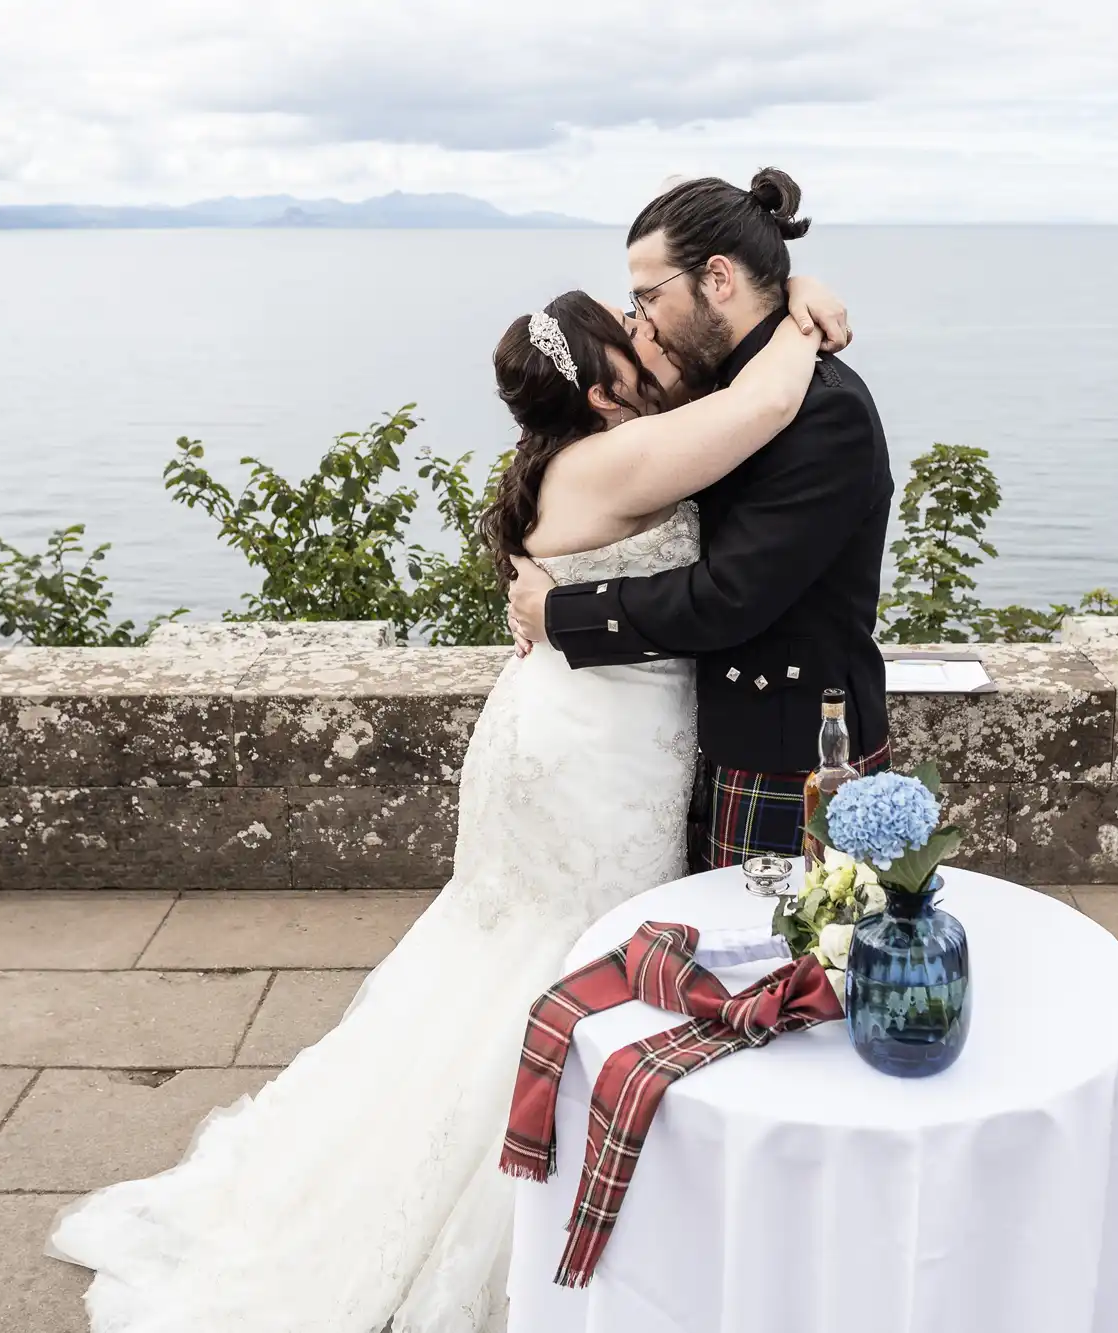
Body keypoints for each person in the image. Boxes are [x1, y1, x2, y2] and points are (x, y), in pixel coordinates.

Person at [45, 268, 854, 1330]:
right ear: (602, 390)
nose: (647, 331)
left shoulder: (577, 455)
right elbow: (758, 406)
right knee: (567, 958)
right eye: (628, 330)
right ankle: (538, 1218)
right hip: (591, 747)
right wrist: (800, 304)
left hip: (562, 720)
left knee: (511, 951)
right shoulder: (614, 456)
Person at [509, 168, 895, 869]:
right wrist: (795, 293)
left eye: (646, 297)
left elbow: (728, 596)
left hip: (795, 753)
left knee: (794, 967)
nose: (644, 321)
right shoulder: (722, 386)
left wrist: (560, 612)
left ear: (717, 278)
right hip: (721, 741)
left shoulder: (825, 411)